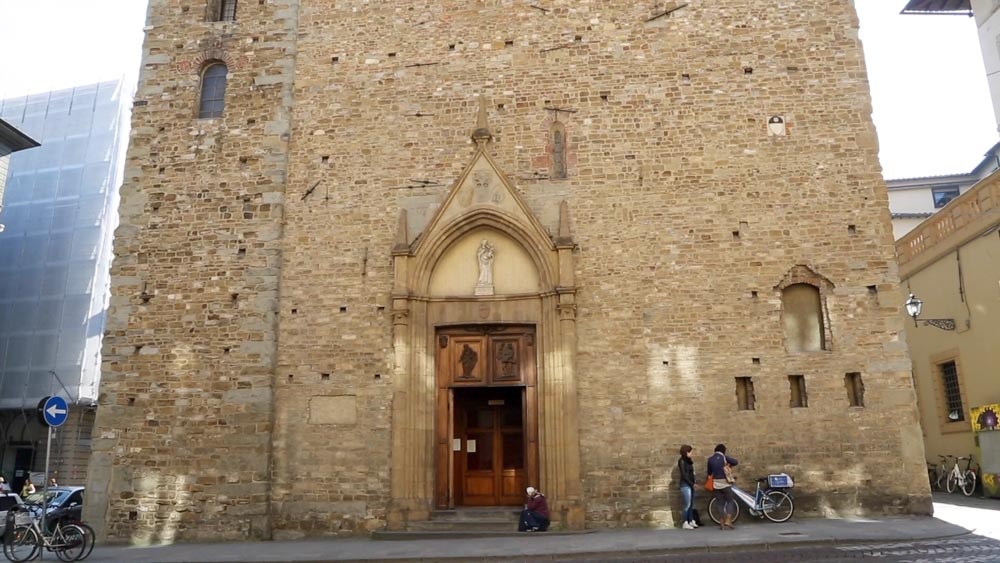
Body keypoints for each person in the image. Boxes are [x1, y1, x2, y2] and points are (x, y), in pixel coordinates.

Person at [707, 444, 739, 530]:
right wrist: (729, 464)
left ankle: (721, 522)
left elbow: (709, 473)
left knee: (720, 503)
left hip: (716, 484)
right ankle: (728, 520)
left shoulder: (710, 459)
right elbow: (735, 462)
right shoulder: (724, 457)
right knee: (730, 501)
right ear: (723, 451)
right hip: (725, 483)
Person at [678, 444, 698, 529]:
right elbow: (684, 475)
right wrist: (691, 483)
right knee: (687, 504)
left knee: (691, 504)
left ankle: (691, 520)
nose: (691, 454)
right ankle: (685, 522)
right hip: (685, 484)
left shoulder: (689, 461)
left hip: (691, 483)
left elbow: (691, 473)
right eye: (690, 452)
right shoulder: (681, 461)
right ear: (686, 452)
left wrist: (694, 482)